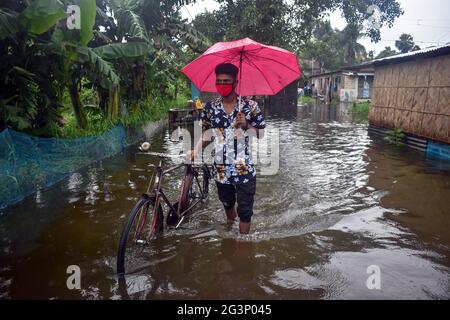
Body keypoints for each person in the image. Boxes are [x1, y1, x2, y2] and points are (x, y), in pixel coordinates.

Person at [189, 63, 265, 234]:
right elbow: (206, 133)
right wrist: (195, 150)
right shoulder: (210, 108)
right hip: (221, 169)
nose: (222, 85)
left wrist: (246, 124)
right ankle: (231, 233)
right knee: (228, 204)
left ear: (235, 82)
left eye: (226, 81)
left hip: (244, 169)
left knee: (245, 212)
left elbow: (260, 134)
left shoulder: (250, 106)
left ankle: (243, 246)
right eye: (219, 81)